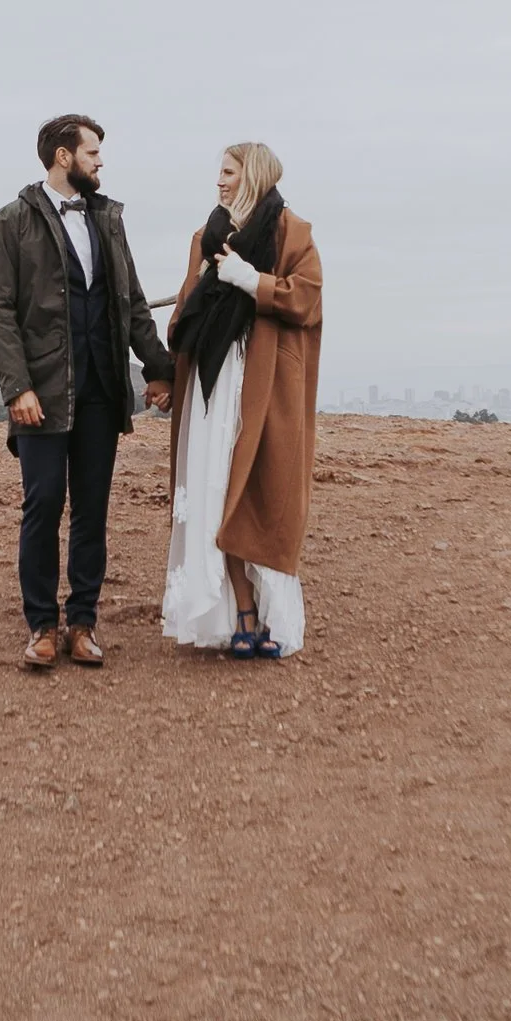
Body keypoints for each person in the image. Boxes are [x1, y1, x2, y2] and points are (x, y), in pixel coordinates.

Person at [0, 114, 175, 670]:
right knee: (42, 504)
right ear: (63, 157)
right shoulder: (11, 221)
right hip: (40, 392)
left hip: (100, 389)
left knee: (92, 510)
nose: (100, 162)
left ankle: (83, 622)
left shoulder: (108, 220)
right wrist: (16, 386)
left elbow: (132, 305)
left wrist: (161, 370)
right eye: (92, 152)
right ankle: (42, 625)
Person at [160, 142, 322, 659]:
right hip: (212, 384)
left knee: (262, 493)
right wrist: (166, 370)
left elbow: (307, 298)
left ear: (252, 175)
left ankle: (273, 615)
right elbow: (184, 310)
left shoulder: (290, 231)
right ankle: (241, 614)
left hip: (264, 384)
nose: (220, 182)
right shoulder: (204, 238)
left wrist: (252, 281)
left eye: (228, 173)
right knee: (215, 494)